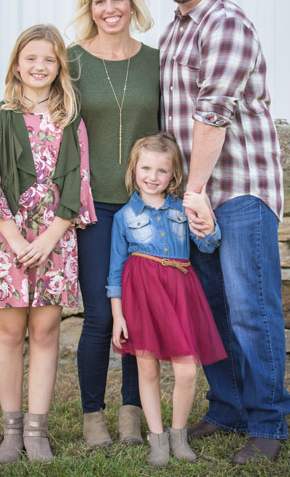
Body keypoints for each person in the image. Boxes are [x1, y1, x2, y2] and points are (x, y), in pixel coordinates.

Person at [159, 0, 290, 465]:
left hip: (237, 190)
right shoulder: (174, 33)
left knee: (250, 311)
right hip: (192, 197)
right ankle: (230, 407)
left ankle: (268, 423)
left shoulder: (225, 23)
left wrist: (193, 191)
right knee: (209, 310)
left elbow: (212, 113)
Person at [0, 24, 96, 464]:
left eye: (49, 59)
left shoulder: (69, 118)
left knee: (45, 330)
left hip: (55, 237)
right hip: (8, 238)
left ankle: (37, 430)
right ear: (17, 63)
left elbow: (80, 180)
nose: (39, 67)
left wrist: (52, 235)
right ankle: (11, 430)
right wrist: (19, 239)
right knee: (9, 331)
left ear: (60, 67)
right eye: (31, 58)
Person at [68, 0, 160, 447]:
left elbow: (168, 135)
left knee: (138, 315)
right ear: (90, 8)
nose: (110, 9)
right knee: (102, 315)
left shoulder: (156, 63)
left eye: (117, 0)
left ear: (132, 4)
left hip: (146, 209)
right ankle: (93, 416)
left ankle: (131, 414)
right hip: (95, 208)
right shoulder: (72, 62)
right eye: (100, 1)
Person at [106, 132, 226, 467]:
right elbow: (115, 272)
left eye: (162, 171)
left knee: (187, 371)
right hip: (141, 297)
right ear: (134, 169)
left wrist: (206, 219)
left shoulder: (180, 209)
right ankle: (157, 439)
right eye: (146, 168)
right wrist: (118, 316)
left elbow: (207, 245)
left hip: (179, 294)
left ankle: (178, 434)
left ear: (173, 175)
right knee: (148, 370)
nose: (152, 177)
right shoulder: (124, 217)